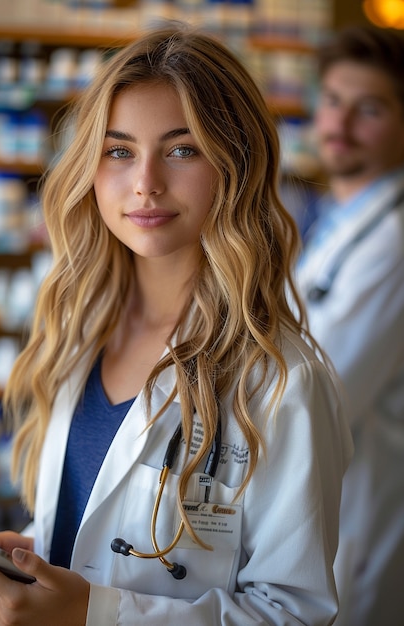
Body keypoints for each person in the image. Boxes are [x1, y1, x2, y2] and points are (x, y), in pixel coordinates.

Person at [0, 24, 352, 625]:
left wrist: (94, 613)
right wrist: (39, 558)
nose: (145, 183)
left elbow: (293, 612)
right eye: (119, 149)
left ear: (235, 165)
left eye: (183, 149)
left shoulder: (280, 379)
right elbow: (102, 521)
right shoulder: (80, 331)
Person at [295, 25, 404, 626]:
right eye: (333, 101)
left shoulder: (393, 243)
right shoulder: (341, 218)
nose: (339, 125)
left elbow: (324, 397)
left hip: (366, 509)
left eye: (370, 110)